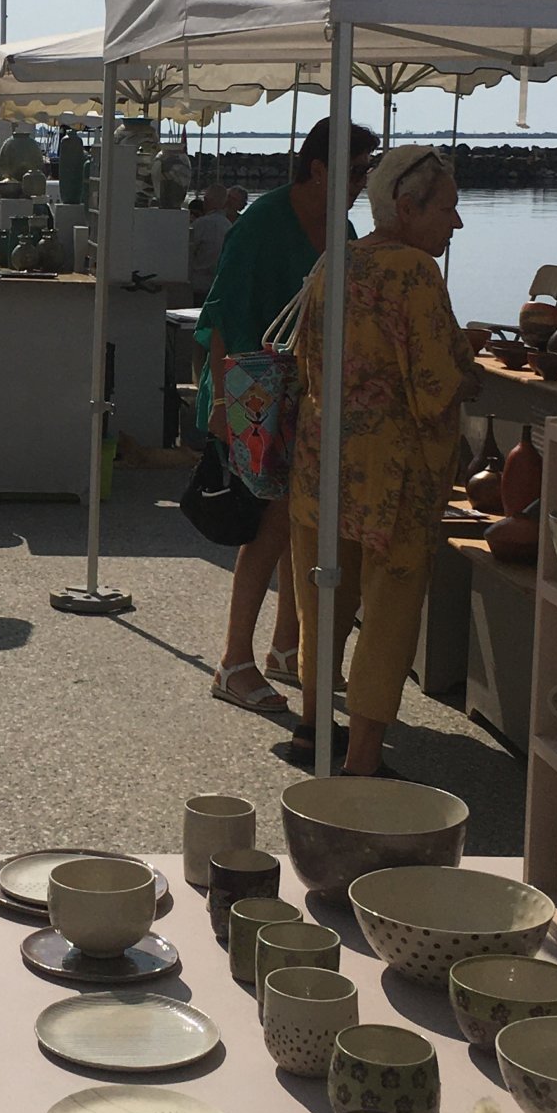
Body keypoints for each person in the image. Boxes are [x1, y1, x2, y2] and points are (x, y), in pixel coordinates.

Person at [288, 145, 480, 778]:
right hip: (394, 473)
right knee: (390, 614)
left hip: (324, 460)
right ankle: (364, 759)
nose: (455, 224)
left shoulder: (333, 261)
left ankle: (314, 726)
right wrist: (466, 357)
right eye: (448, 209)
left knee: (325, 599)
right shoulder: (414, 273)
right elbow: (436, 384)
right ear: (406, 207)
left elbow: (304, 360)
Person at [195, 118, 378, 718]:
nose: (361, 183)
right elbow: (222, 314)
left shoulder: (342, 228)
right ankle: (234, 661)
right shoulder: (264, 222)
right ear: (319, 170)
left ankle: (285, 649)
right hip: (248, 390)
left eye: (367, 172)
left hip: (305, 391)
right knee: (270, 525)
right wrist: (223, 406)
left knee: (305, 520)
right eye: (354, 172)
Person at [187, 188, 231, 300]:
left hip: (199, 285)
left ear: (206, 201)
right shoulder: (229, 226)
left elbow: (187, 252)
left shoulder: (200, 225)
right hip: (219, 285)